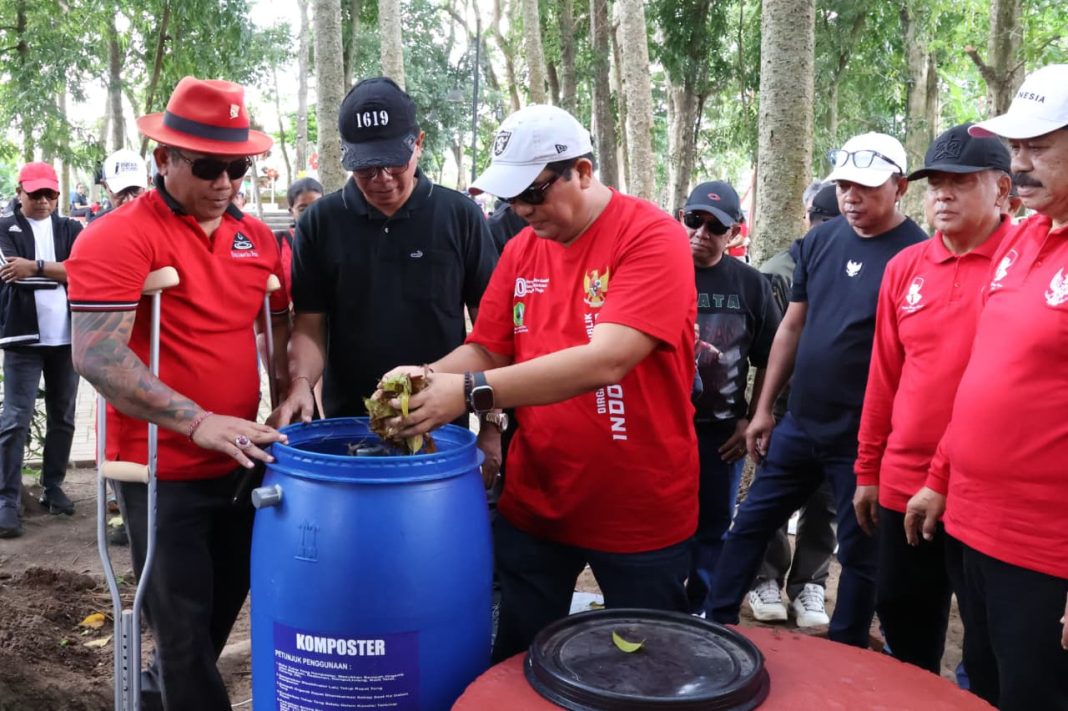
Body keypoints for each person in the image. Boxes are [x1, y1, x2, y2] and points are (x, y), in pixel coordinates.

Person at [377, 104, 699, 662]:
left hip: (638, 503)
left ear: (583, 171)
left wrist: (469, 392)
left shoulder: (651, 237)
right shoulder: (522, 248)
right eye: (511, 198)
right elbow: (489, 346)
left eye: (534, 192)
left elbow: (608, 360)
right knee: (518, 660)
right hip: (539, 498)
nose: (523, 209)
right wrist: (429, 375)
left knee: (647, 670)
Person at [65, 76, 290, 710]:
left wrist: (295, 383)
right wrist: (196, 421)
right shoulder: (117, 234)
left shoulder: (258, 238)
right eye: (208, 166)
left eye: (238, 168)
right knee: (183, 631)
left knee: (215, 615)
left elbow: (279, 323)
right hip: (159, 468)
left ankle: (156, 693)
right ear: (164, 158)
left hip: (240, 456)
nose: (226, 183)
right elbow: (96, 353)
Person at [709, 132, 927, 648]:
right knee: (750, 524)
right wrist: (765, 408)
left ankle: (846, 648)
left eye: (866, 187)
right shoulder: (819, 241)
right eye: (845, 186)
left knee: (861, 549)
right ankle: (716, 624)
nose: (851, 197)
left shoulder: (918, 254)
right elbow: (792, 326)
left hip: (864, 437)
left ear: (900, 188)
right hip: (800, 424)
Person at [905, 64, 1068, 709]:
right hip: (971, 526)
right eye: (1016, 147)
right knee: (986, 685)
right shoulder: (1024, 239)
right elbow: (984, 375)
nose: (1019, 163)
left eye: (1038, 147)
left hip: (1045, 549)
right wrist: (939, 477)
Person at [270, 77, 499, 470]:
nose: (382, 178)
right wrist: (302, 383)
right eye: (366, 168)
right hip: (348, 425)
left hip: (442, 424)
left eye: (395, 162)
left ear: (418, 143)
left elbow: (492, 330)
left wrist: (492, 424)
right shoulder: (320, 223)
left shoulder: (460, 216)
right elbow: (309, 324)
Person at [854, 124, 1012, 674]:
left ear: (1002, 188)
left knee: (988, 643)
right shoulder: (905, 268)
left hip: (983, 487)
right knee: (904, 618)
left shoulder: (1024, 262)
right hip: (903, 478)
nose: (943, 193)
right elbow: (884, 377)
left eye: (961, 182)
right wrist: (868, 468)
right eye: (936, 182)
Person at [682, 179, 781, 617]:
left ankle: (705, 611)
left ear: (734, 231)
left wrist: (754, 417)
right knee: (661, 524)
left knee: (714, 524)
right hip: (662, 428)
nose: (701, 233)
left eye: (715, 226)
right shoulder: (657, 271)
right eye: (693, 220)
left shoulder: (751, 284)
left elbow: (772, 356)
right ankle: (662, 608)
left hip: (720, 431)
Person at [747, 181, 839, 626]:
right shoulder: (779, 272)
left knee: (825, 502)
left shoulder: (863, 264)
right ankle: (765, 578)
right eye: (822, 222)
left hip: (837, 410)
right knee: (772, 497)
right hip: (786, 408)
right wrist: (763, 409)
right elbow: (770, 349)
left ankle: (810, 585)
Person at [0, 163, 83, 538]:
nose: (44, 201)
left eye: (50, 194)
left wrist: (33, 267)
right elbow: (10, 276)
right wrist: (59, 272)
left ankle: (53, 486)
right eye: (36, 194)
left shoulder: (71, 229)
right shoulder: (5, 228)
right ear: (20, 192)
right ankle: (7, 499)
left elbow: (84, 271)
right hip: (23, 339)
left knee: (63, 416)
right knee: (15, 418)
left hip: (66, 338)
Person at [274, 177, 323, 298]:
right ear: (292, 212)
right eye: (303, 209)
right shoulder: (278, 242)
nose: (311, 213)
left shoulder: (337, 240)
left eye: (318, 206)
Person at [89, 149, 148, 223]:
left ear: (148, 182)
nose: (130, 200)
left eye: (135, 190)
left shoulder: (159, 220)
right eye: (121, 192)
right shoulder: (97, 227)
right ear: (105, 186)